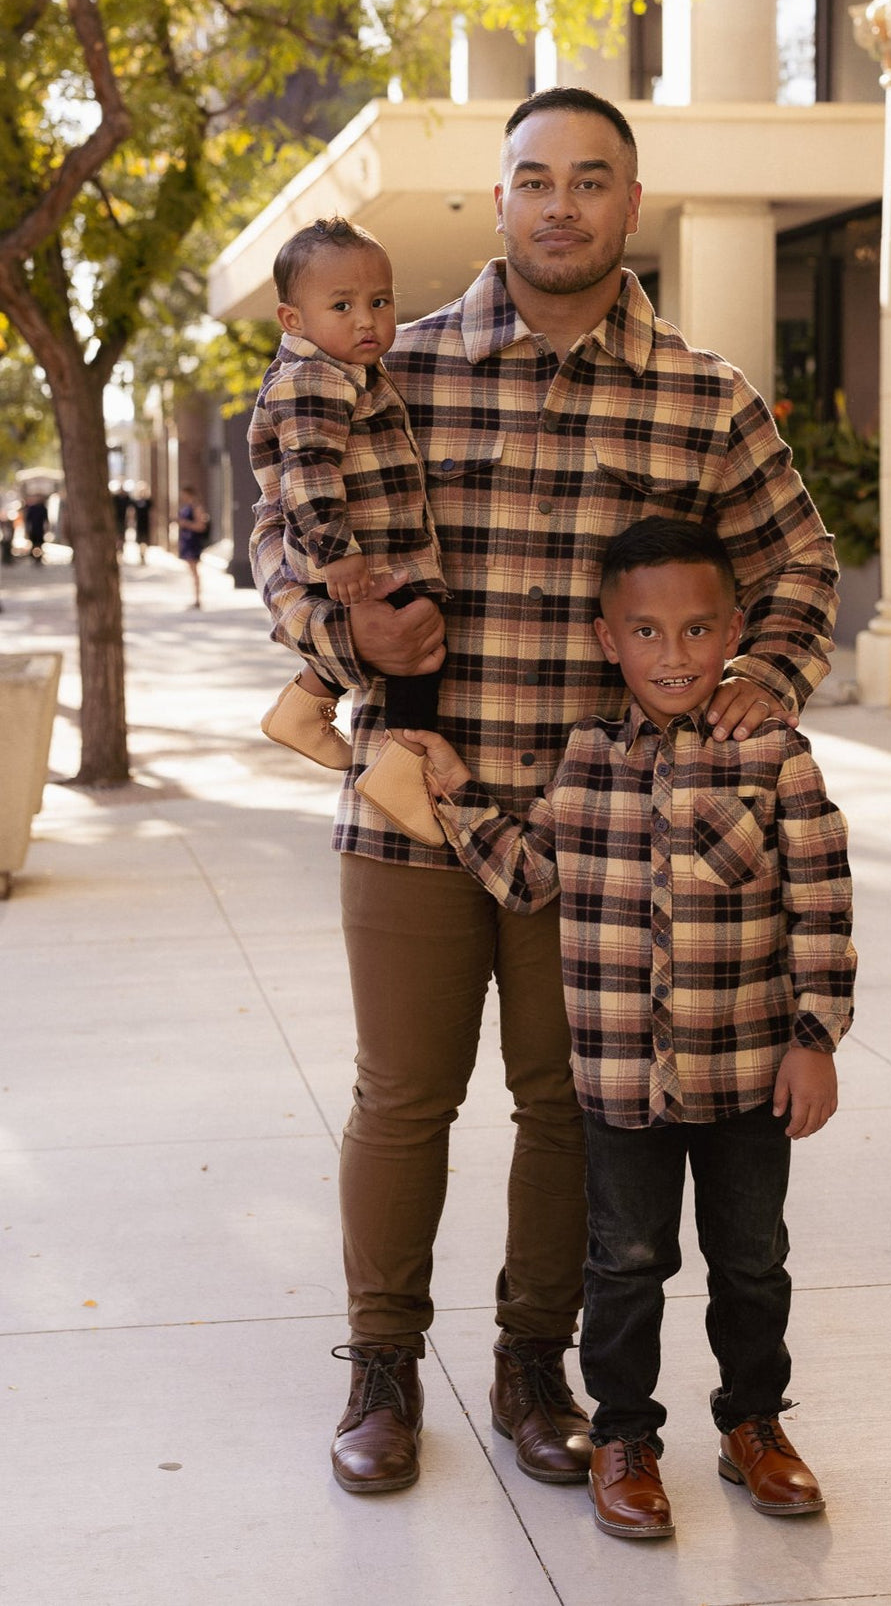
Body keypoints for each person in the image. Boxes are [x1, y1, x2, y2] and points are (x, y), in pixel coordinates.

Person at [248, 87, 840, 1499]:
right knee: (402, 1096)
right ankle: (382, 1369)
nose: (560, 204)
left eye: (591, 180)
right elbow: (282, 530)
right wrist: (347, 638)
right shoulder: (398, 366)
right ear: (500, 198)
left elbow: (800, 565)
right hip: (416, 806)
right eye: (534, 179)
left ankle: (533, 1363)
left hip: (604, 843)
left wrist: (757, 680)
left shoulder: (705, 394)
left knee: (570, 1108)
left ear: (632, 206)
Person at [410, 517, 855, 1539]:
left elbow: (822, 905)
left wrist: (816, 1038)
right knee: (626, 1265)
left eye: (699, 631)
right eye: (646, 633)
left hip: (748, 1075)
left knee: (752, 1262)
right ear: (608, 638)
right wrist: (451, 791)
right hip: (620, 1085)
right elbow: (531, 875)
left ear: (736, 629)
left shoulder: (776, 758)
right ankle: (624, 1435)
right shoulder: (587, 761)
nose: (675, 655)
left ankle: (755, 1425)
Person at [250, 218, 447, 843]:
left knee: (416, 633)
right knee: (422, 635)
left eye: (380, 302)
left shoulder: (350, 372)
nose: (367, 320)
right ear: (293, 320)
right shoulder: (313, 380)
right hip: (347, 551)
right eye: (342, 306)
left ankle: (308, 705)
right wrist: (337, 555)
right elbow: (307, 469)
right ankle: (402, 764)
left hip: (374, 549)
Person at [176, 484, 210, 608]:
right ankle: (195, 597)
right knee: (191, 571)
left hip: (193, 542)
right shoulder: (186, 507)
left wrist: (186, 524)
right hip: (186, 541)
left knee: (195, 572)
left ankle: (197, 599)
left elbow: (201, 526)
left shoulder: (196, 507)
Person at [131, 482, 153, 564]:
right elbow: (132, 512)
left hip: (146, 523)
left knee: (145, 541)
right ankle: (141, 555)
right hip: (138, 524)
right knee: (140, 541)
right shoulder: (135, 502)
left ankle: (144, 556)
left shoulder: (148, 502)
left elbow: (152, 513)